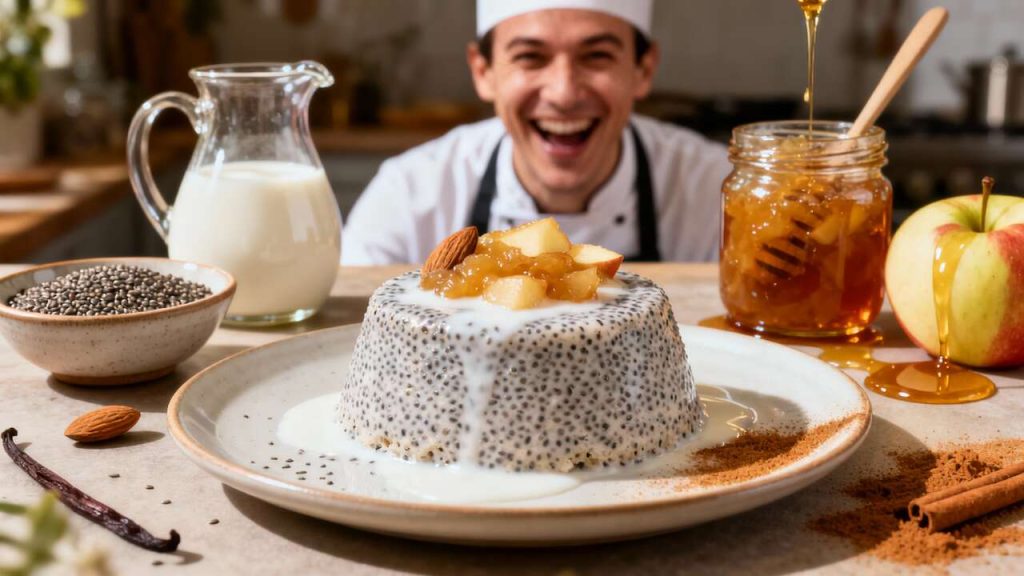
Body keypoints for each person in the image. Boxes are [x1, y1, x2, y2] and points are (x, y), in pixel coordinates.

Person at [341, 0, 731, 264]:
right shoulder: (409, 195)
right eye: (530, 57)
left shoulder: (718, 194)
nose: (563, 94)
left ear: (643, 70)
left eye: (597, 56)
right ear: (484, 72)